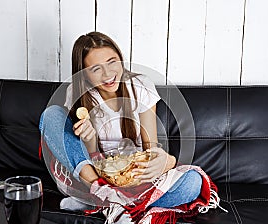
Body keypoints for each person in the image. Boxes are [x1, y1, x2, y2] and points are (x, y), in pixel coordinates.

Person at [39, 31, 203, 208]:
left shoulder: (140, 86)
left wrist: (167, 161)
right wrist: (88, 137)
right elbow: (88, 153)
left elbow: (150, 146)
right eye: (96, 69)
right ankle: (103, 194)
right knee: (51, 115)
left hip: (134, 174)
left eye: (112, 62)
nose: (108, 73)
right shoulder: (77, 93)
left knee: (192, 183)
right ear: (84, 74)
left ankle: (104, 204)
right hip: (96, 172)